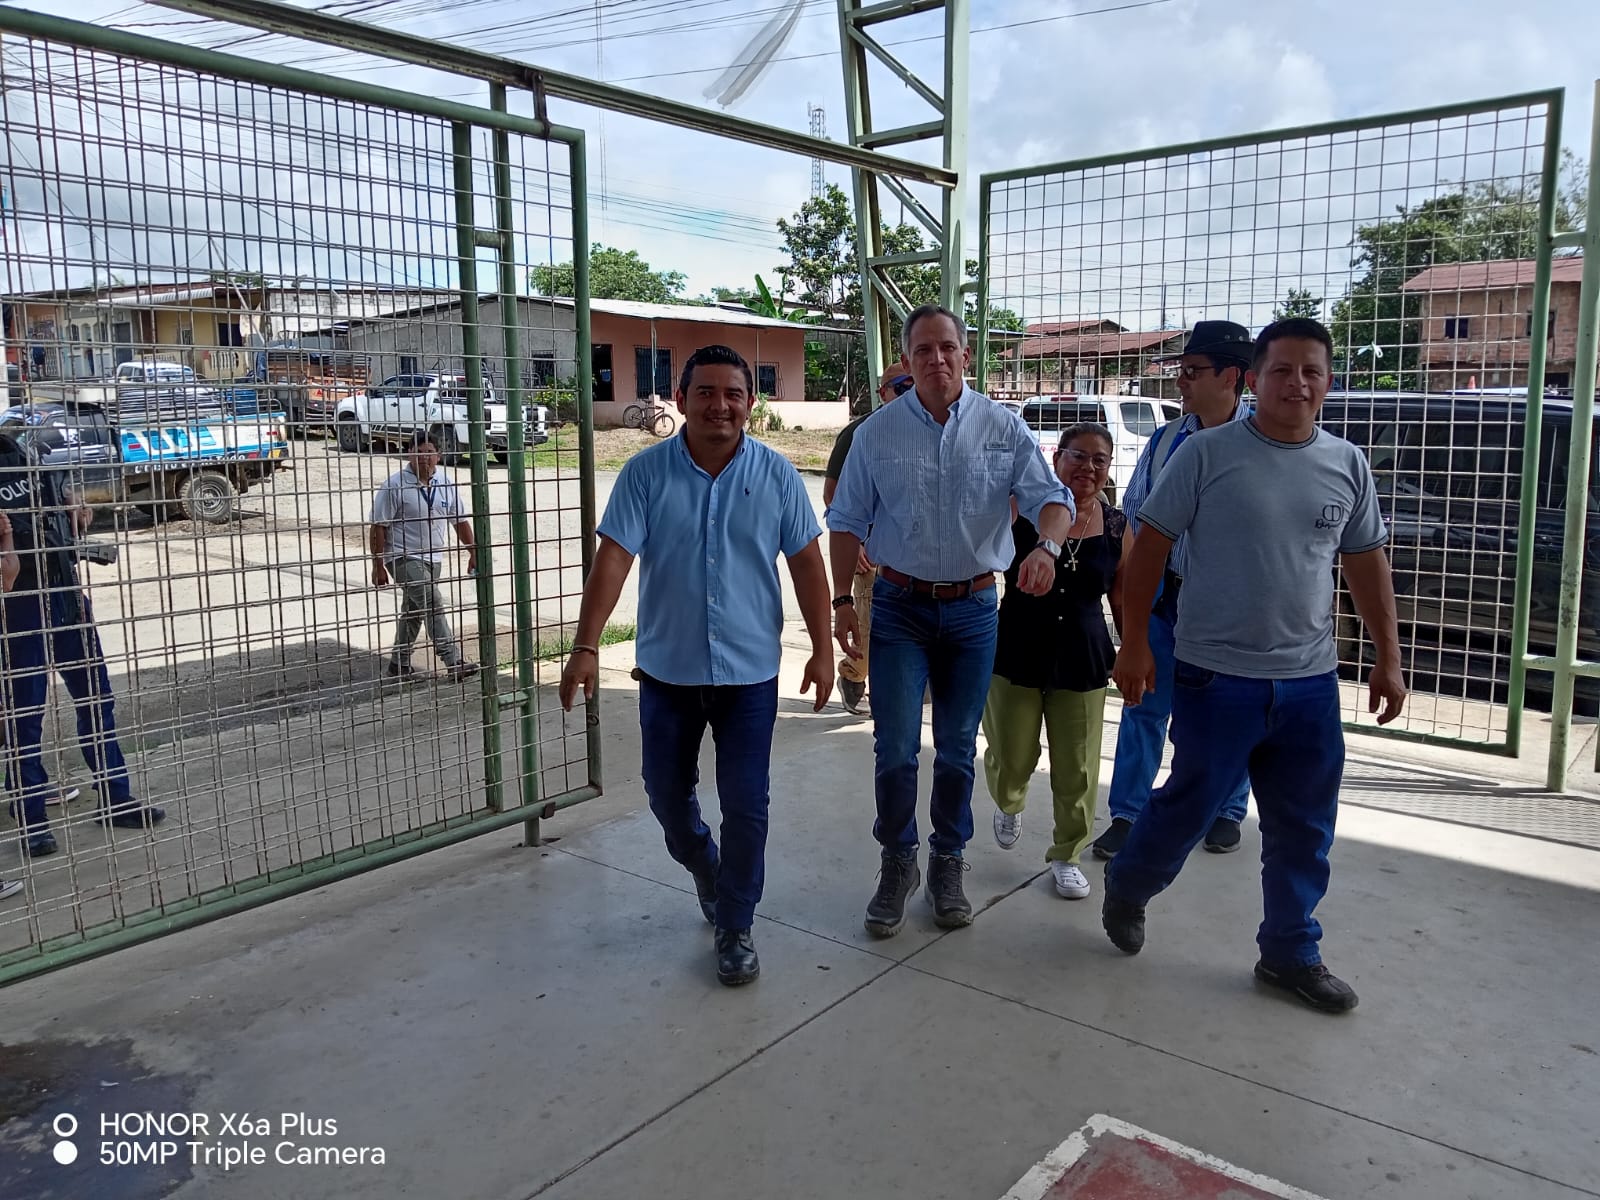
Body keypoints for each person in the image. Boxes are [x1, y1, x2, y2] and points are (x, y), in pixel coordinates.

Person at [1102, 317, 1406, 1015]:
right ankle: (1131, 882)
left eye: (1311, 371)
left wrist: (1387, 659)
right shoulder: (1205, 455)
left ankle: (1290, 952)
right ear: (1255, 379)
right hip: (1215, 675)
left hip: (1309, 682)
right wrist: (1135, 642)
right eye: (1282, 370)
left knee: (1304, 824)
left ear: (1328, 382)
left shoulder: (1346, 463)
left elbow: (1366, 563)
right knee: (1190, 804)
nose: (1297, 383)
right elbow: (1149, 547)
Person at [559, 345, 833, 987]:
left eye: (733, 393)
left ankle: (736, 924)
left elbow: (806, 565)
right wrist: (586, 645)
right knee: (665, 797)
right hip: (669, 674)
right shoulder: (645, 474)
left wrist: (823, 650)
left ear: (750, 403)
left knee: (747, 805)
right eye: (705, 392)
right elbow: (614, 560)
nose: (720, 406)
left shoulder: (777, 475)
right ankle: (706, 867)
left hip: (749, 677)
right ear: (680, 400)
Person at [827, 304, 1074, 937]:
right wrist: (841, 601)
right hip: (899, 609)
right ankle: (897, 860)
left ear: (966, 354)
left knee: (959, 750)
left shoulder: (1003, 427)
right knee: (894, 749)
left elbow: (1053, 499)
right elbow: (845, 520)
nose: (936, 359)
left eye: (947, 348)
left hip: (973, 611)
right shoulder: (877, 434)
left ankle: (947, 861)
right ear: (906, 362)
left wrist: (1046, 549)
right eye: (922, 350)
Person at [1093, 320, 1256, 861]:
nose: (1180, 381)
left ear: (1231, 376)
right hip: (1168, 598)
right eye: (1180, 370)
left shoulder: (1263, 443)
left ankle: (1227, 808)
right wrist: (1132, 613)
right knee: (1142, 703)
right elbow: (1136, 519)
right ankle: (1127, 815)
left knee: (1226, 713)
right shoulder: (1166, 440)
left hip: (1232, 610)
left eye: (1192, 371)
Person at [0, 429, 164, 860]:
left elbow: (57, 502)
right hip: (18, 603)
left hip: (65, 593)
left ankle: (116, 797)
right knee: (25, 717)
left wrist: (72, 508)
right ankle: (32, 819)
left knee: (96, 698)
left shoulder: (23, 451)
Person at [984, 423, 1130, 900]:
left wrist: (1133, 649)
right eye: (1077, 456)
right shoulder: (1021, 513)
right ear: (1056, 459)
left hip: (1083, 658)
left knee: (1078, 767)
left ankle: (1067, 854)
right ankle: (1009, 801)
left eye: (1099, 460)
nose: (1087, 467)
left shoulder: (1117, 526)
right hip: (1016, 649)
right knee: (1012, 754)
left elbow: (1122, 595)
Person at [821, 367, 916, 715]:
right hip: (871, 548)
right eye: (901, 386)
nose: (909, 392)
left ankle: (891, 690)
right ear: (882, 392)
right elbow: (833, 494)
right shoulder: (859, 433)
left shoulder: (924, 431)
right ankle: (853, 676)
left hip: (911, 554)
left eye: (914, 385)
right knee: (866, 622)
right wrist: (857, 543)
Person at [369, 431, 479, 682]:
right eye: (418, 452)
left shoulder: (445, 484)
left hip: (433, 559)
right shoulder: (394, 485)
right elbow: (378, 527)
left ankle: (398, 664)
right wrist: (378, 565)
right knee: (432, 602)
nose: (424, 457)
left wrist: (473, 552)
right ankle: (453, 660)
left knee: (413, 611)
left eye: (429, 452)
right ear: (409, 454)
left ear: (438, 456)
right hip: (402, 557)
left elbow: (460, 521)